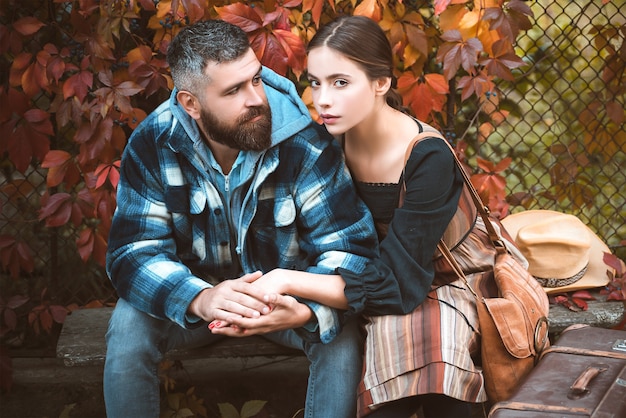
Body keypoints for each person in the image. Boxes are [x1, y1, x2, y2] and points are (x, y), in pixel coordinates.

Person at [103, 19, 379, 418]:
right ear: (190, 104)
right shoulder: (153, 144)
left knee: (338, 333)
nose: (255, 99)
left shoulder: (304, 143)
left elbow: (350, 248)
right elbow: (132, 253)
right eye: (233, 90)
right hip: (194, 307)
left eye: (255, 79)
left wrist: (304, 308)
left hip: (281, 306)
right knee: (129, 327)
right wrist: (200, 298)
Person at [303, 15, 498, 417]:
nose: (323, 99)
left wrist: (289, 282)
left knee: (435, 346)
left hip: (447, 273)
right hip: (369, 273)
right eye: (315, 82)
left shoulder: (427, 154)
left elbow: (400, 285)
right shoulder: (325, 146)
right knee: (391, 340)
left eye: (340, 82)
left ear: (381, 83)